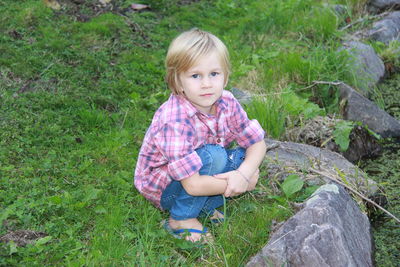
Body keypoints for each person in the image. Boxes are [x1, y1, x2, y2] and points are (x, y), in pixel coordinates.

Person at [134, 28, 267, 243]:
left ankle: (204, 206)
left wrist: (243, 173)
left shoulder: (227, 101)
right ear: (178, 81)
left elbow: (257, 143)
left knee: (245, 158)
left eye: (214, 74)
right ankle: (180, 219)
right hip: (166, 186)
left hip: (200, 173)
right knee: (216, 157)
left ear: (225, 77)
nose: (206, 84)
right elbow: (192, 185)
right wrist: (243, 183)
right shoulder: (173, 119)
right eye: (196, 76)